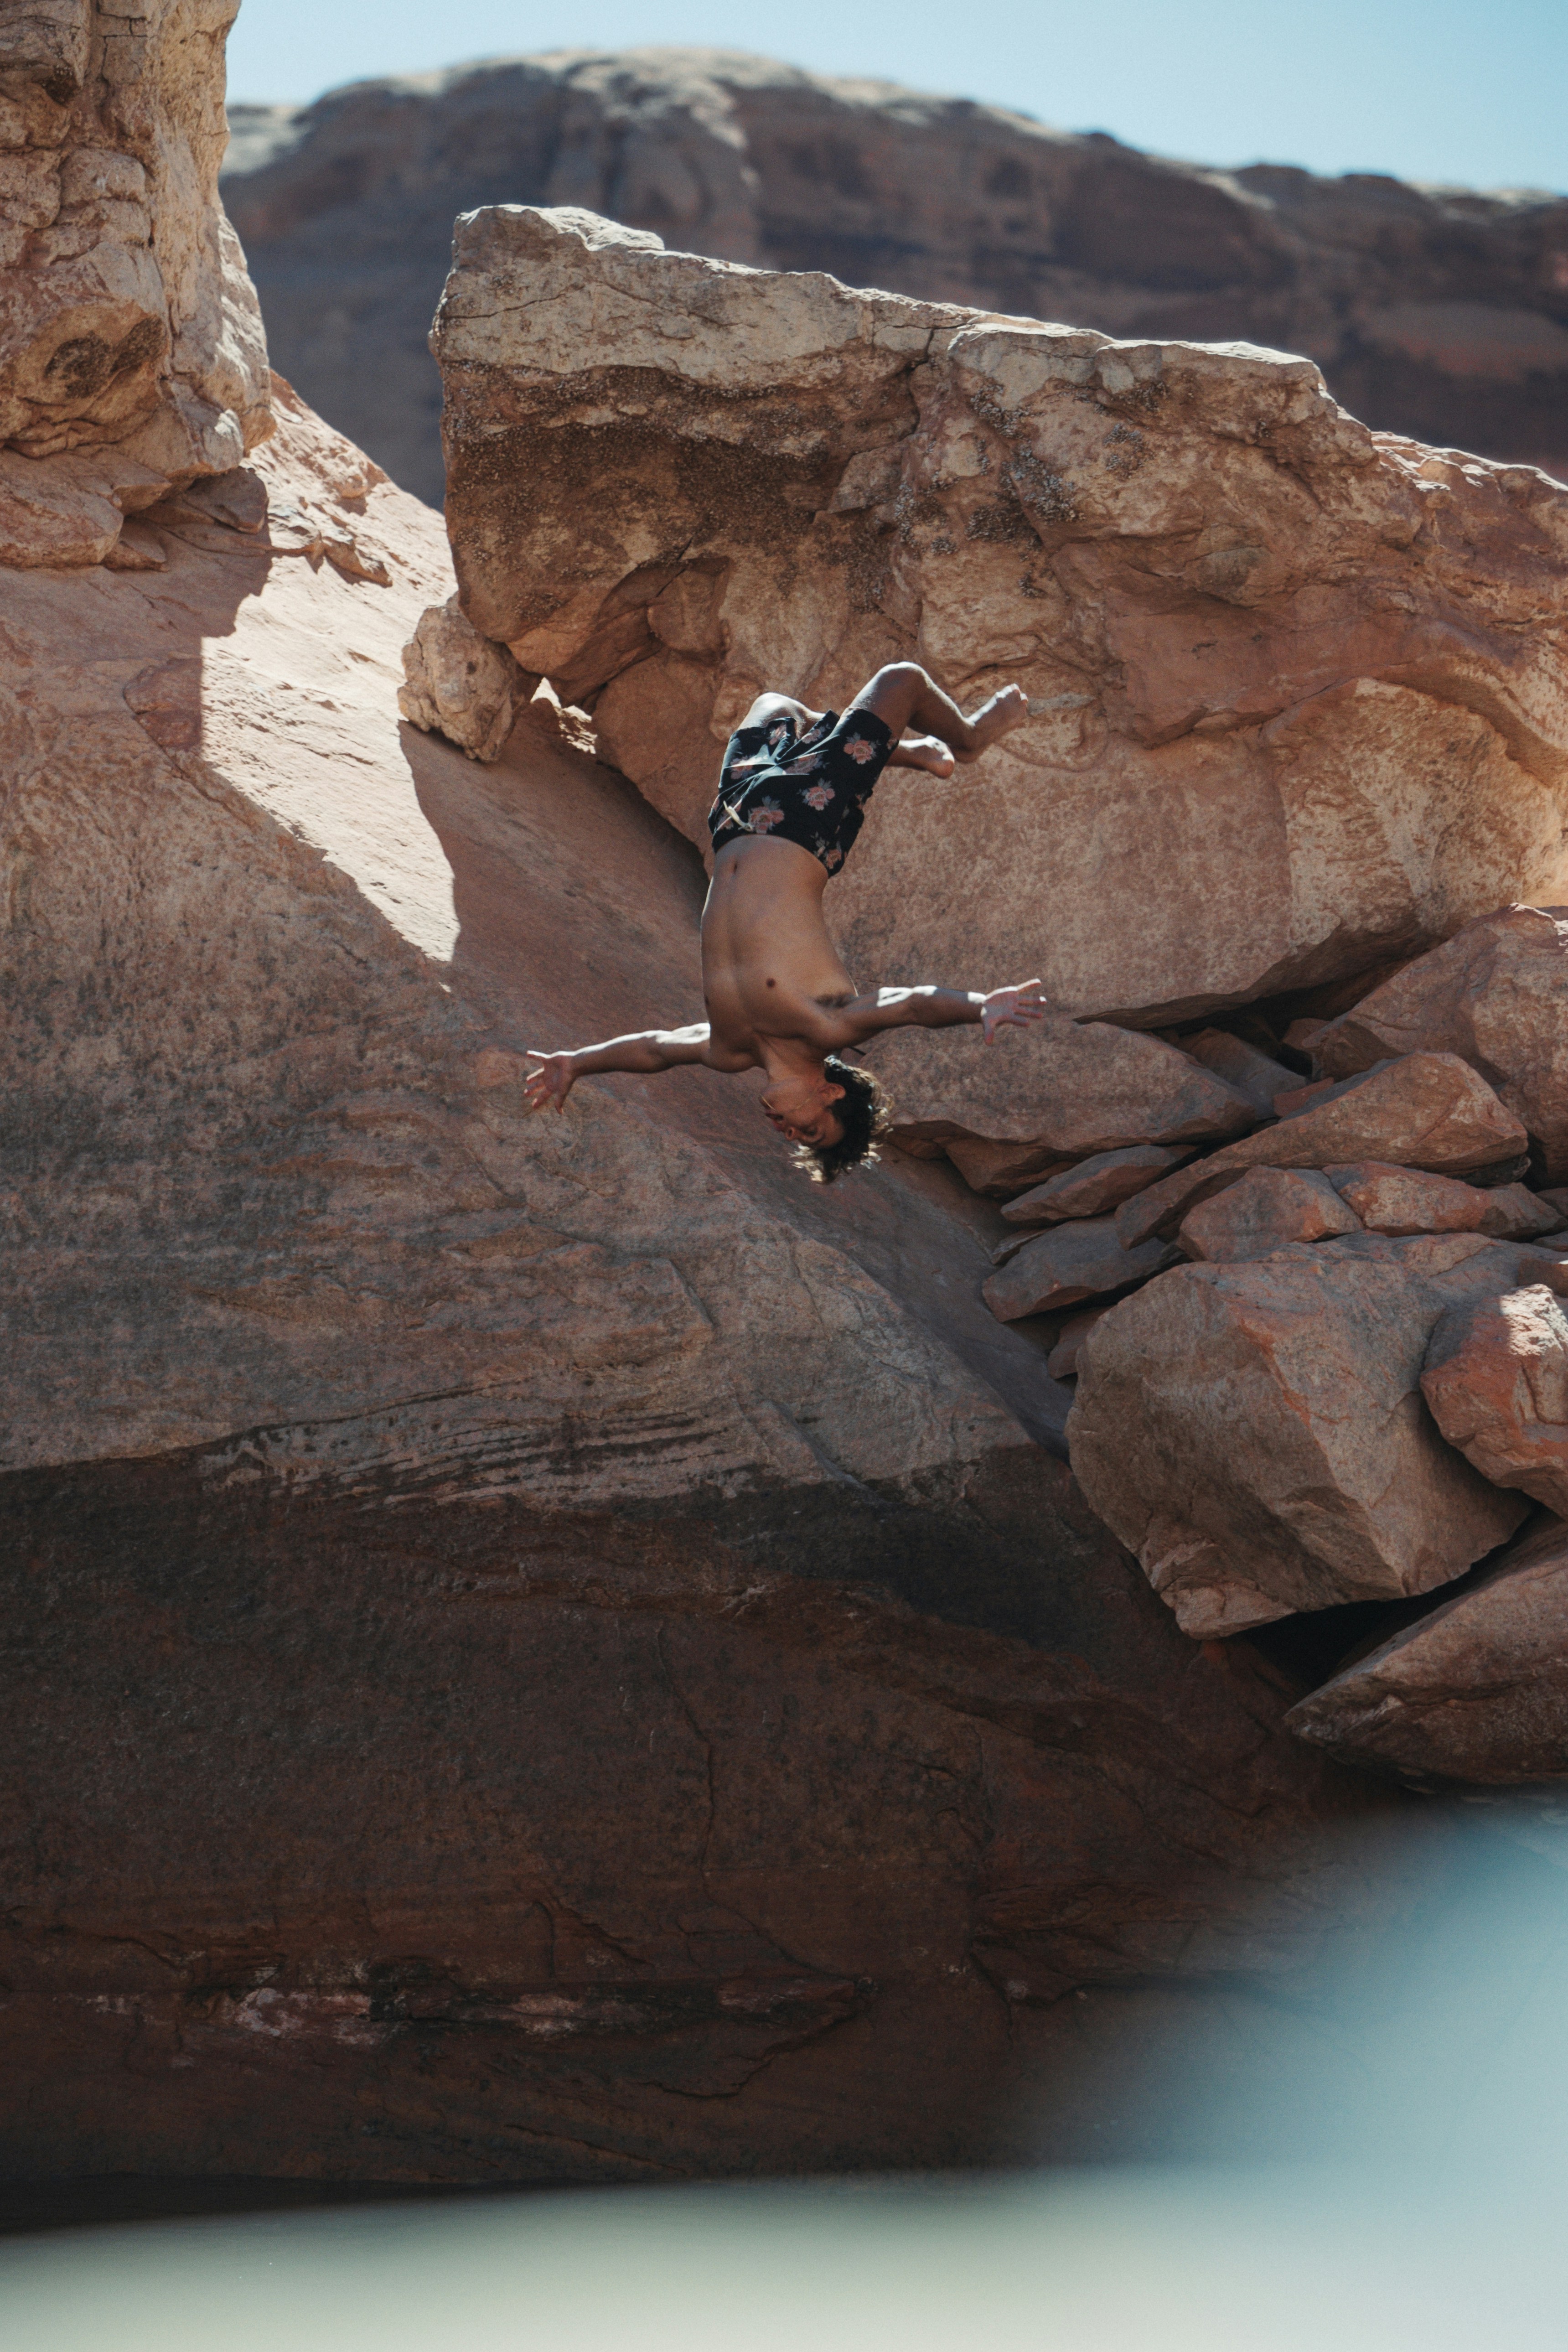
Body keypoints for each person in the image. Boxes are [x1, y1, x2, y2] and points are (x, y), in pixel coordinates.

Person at [523, 661, 1048, 1182]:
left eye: (797, 1139)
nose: (789, 1132)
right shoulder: (825, 1025)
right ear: (830, 1093)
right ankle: (969, 740)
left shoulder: (728, 1050)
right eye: (811, 1131)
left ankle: (893, 752)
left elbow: (656, 1049)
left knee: (773, 706)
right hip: (808, 817)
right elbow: (909, 1004)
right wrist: (978, 1005)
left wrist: (577, 1063)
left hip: (736, 818)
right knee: (900, 680)